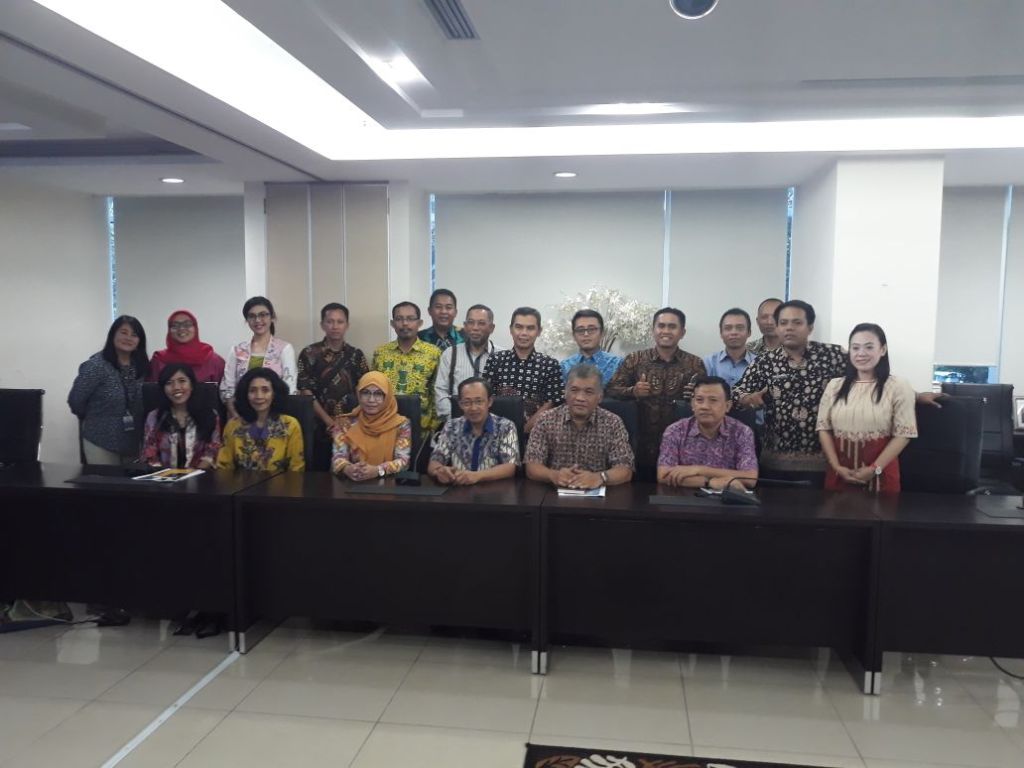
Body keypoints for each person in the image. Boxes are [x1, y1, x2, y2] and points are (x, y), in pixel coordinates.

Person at [733, 299, 847, 482]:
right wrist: (748, 398)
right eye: (783, 323)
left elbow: (861, 382)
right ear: (777, 327)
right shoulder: (765, 362)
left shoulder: (833, 356)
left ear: (810, 327)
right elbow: (737, 392)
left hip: (825, 462)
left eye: (797, 322)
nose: (789, 328)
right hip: (775, 463)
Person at [817, 323, 918, 493]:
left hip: (881, 476)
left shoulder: (898, 386)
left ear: (883, 350)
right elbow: (823, 428)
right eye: (855, 348)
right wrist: (836, 467)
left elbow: (904, 434)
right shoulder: (835, 386)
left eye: (869, 347)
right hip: (839, 474)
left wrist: (874, 469)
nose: (861, 353)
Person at [607, 307, 706, 477]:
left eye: (672, 326)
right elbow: (610, 390)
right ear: (653, 330)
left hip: (681, 449)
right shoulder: (635, 359)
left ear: (682, 332)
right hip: (639, 445)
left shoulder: (695, 364)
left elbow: (705, 401)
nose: (666, 331)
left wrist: (696, 396)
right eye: (661, 326)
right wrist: (633, 391)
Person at [525, 363, 634, 488]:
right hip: (553, 493)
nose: (580, 398)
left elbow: (625, 469)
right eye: (574, 390)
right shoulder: (546, 420)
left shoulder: (613, 423)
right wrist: (553, 475)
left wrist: (599, 477)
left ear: (600, 397)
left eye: (589, 392)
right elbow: (531, 466)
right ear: (565, 393)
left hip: (598, 493)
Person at [68, 315, 150, 465]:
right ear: (113, 335)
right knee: (104, 480)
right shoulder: (96, 365)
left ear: (140, 341)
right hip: (100, 440)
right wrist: (94, 417)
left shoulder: (142, 367)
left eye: (134, 334)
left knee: (132, 481)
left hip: (132, 442)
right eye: (123, 332)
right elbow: (76, 400)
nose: (128, 338)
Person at [297, 302, 369, 470]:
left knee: (351, 471)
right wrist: (328, 421)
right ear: (322, 325)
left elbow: (364, 388)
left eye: (340, 322)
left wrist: (350, 419)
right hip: (318, 425)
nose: (335, 326)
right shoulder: (309, 353)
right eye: (330, 321)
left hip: (352, 426)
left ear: (347, 325)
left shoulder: (356, 355)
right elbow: (305, 390)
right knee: (319, 474)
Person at [657, 375, 758, 489]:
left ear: (727, 406)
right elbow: (663, 475)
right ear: (692, 404)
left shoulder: (742, 432)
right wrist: (709, 482)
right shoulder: (675, 431)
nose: (704, 406)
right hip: (684, 497)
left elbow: (750, 478)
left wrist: (698, 470)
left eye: (713, 400)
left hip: (729, 498)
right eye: (699, 400)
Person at [483, 307, 563, 433]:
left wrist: (523, 431)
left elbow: (552, 404)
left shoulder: (550, 365)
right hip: (497, 434)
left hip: (537, 435)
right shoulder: (495, 360)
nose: (524, 333)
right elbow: (486, 398)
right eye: (519, 327)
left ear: (539, 331)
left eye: (530, 328)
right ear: (511, 329)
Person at [428, 377, 519, 484]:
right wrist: (440, 471)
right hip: (458, 490)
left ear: (489, 402)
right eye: (467, 403)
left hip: (495, 491)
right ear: (460, 404)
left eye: (479, 401)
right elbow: (434, 462)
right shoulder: (451, 426)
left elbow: (510, 467)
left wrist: (477, 476)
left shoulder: (505, 426)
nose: (473, 408)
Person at [221, 296, 297, 420]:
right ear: (247, 320)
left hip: (275, 417)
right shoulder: (236, 350)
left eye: (263, 315)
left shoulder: (284, 349)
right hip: (240, 416)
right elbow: (227, 388)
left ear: (272, 317)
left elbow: (289, 388)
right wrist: (235, 415)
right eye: (252, 316)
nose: (257, 320)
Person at [217, 367, 304, 472]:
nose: (259, 396)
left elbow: (296, 469)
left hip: (280, 482)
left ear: (275, 393)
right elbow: (223, 468)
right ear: (245, 394)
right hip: (240, 482)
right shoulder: (233, 426)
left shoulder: (290, 425)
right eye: (252, 391)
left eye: (265, 390)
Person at [373, 301, 442, 432]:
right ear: (392, 323)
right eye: (399, 319)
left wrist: (433, 425)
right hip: (385, 425)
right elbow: (374, 389)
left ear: (419, 323)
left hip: (421, 427)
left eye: (410, 319)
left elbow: (437, 391)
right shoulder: (380, 353)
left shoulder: (433, 353)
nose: (405, 323)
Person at [332, 372, 412, 481]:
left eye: (378, 394)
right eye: (365, 393)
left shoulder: (401, 425)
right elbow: (337, 458)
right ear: (358, 395)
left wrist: (378, 470)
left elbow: (403, 461)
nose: (371, 400)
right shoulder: (344, 423)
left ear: (387, 397)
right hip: (352, 483)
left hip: (388, 484)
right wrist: (348, 469)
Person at [141, 363, 222, 469]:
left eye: (182, 381)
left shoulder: (210, 415)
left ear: (191, 385)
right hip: (163, 476)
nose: (176, 387)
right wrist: (164, 475)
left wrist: (194, 474)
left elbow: (212, 451)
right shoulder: (154, 417)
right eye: (169, 383)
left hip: (201, 475)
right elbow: (150, 454)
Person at [434, 304, 501, 421]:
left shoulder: (502, 356)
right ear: (465, 326)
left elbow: (506, 396)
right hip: (455, 422)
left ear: (491, 328)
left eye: (481, 323)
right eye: (471, 322)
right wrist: (456, 420)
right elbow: (441, 391)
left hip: (493, 425)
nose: (475, 328)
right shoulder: (450, 354)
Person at [148, 309, 226, 383]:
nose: (181, 328)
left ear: (195, 328)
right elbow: (151, 389)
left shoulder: (212, 359)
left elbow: (225, 390)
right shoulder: (158, 360)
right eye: (175, 325)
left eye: (187, 324)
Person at [560, 309, 622, 386]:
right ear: (574, 335)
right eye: (580, 330)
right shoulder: (564, 366)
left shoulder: (617, 364)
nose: (586, 334)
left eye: (592, 329)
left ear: (602, 333)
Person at [703, 308, 756, 389]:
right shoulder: (709, 362)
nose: (734, 332)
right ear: (721, 333)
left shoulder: (758, 363)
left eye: (740, 328)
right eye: (728, 328)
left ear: (749, 332)